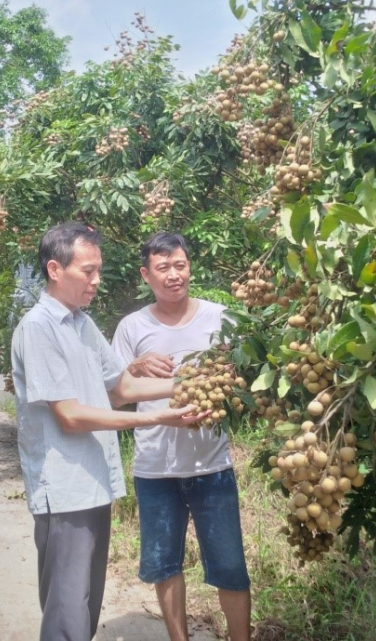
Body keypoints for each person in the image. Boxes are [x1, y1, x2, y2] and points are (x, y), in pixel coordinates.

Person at [10, 221, 207, 641]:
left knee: (84, 607)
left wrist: (190, 385)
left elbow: (123, 387)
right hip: (64, 489)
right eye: (88, 271)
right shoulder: (39, 328)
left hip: (92, 484)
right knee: (67, 612)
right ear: (54, 269)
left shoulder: (81, 324)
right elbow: (71, 416)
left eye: (98, 270)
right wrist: (156, 418)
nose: (97, 280)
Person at [111, 232, 251, 641]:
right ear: (145, 274)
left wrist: (226, 385)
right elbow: (113, 395)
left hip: (213, 464)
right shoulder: (131, 327)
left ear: (190, 266)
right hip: (155, 470)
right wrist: (134, 367)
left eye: (180, 265)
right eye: (163, 268)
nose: (174, 275)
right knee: (165, 565)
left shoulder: (221, 317)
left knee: (230, 566)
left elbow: (245, 377)